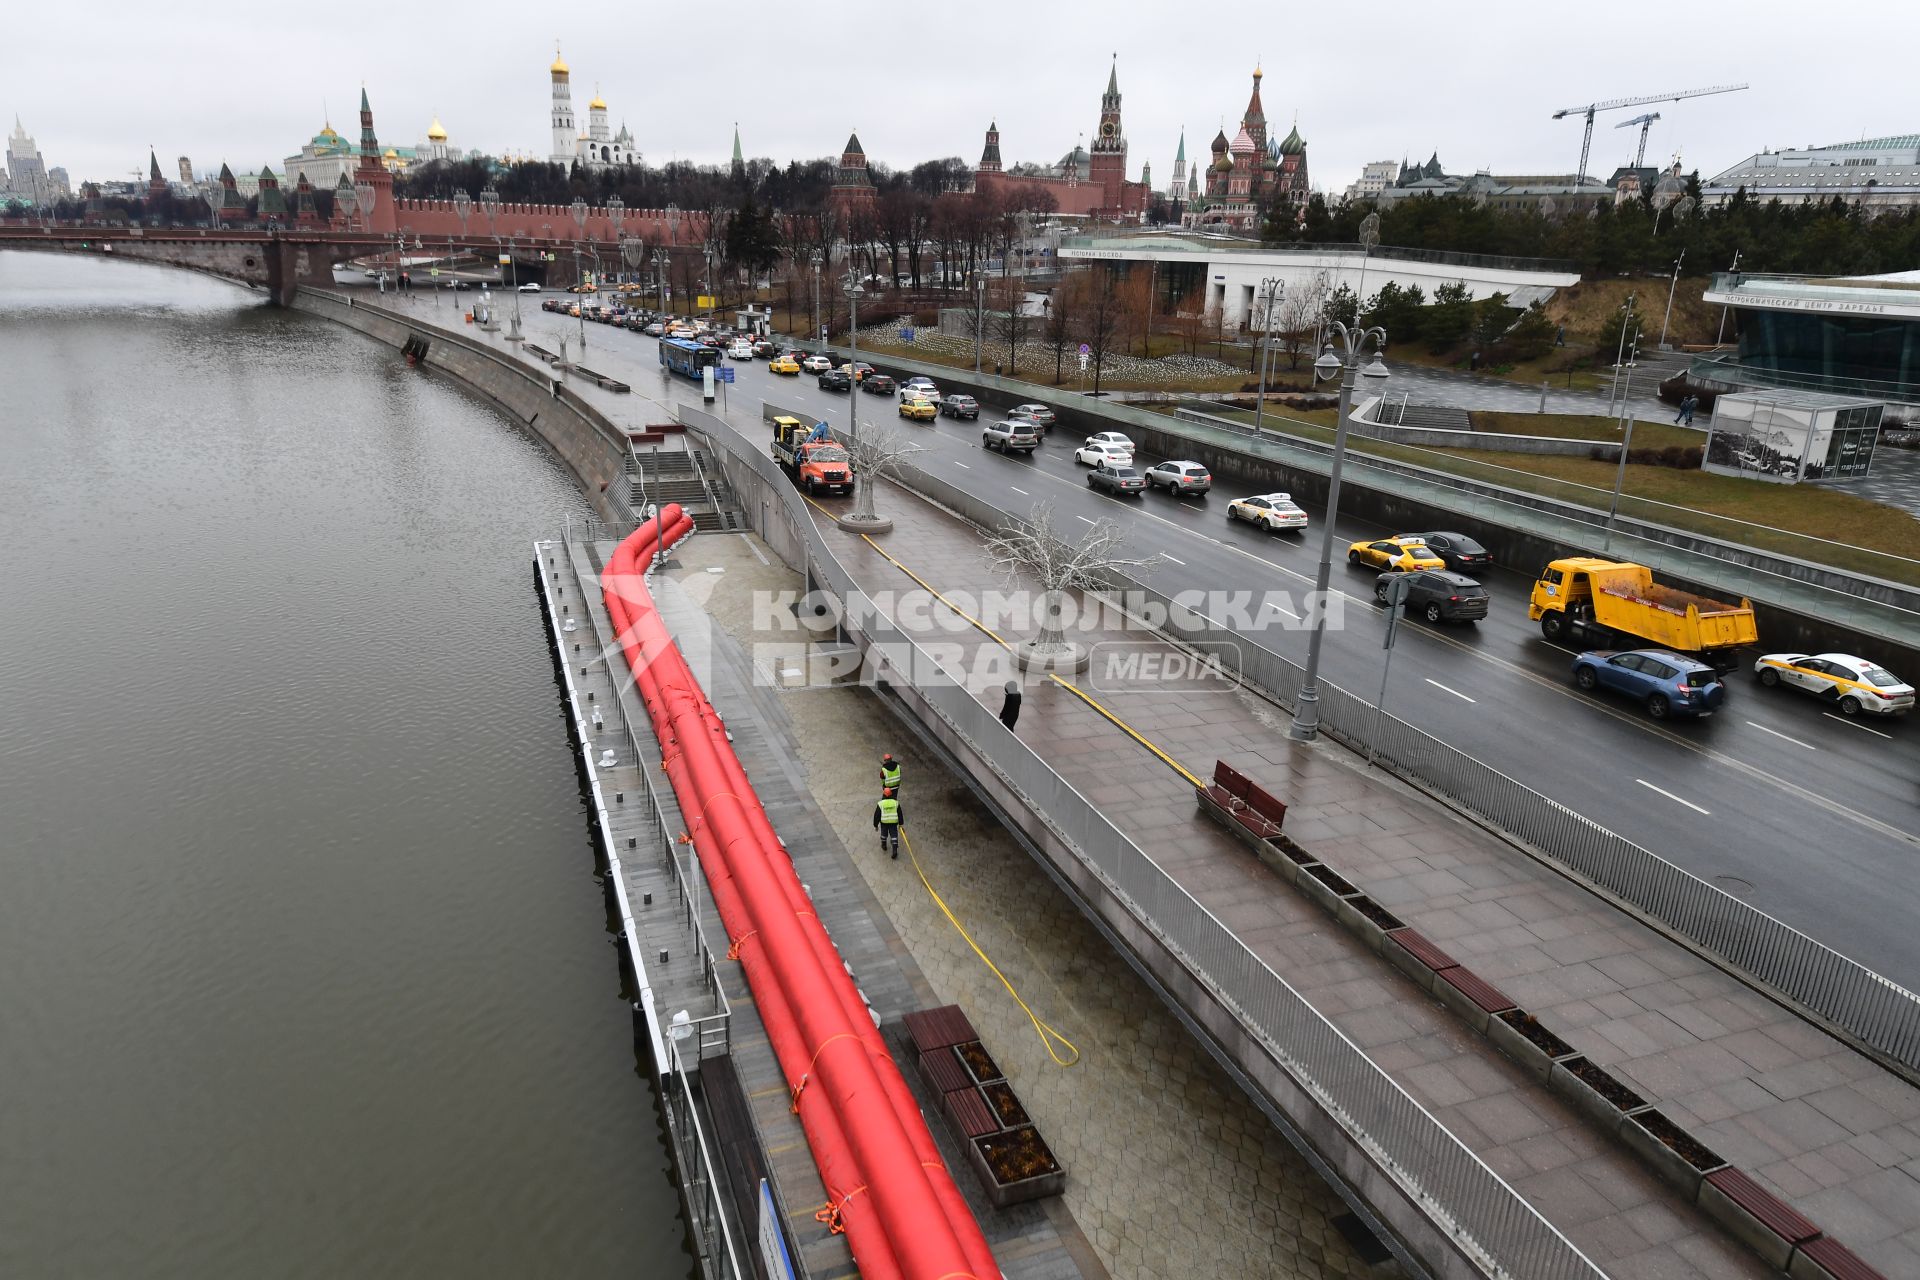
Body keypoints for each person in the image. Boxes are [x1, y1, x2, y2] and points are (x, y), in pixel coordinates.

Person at [873, 787, 903, 858]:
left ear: (883, 795)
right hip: (893, 823)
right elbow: (900, 814)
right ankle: (895, 850)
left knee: (884, 834)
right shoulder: (896, 803)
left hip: (884, 823)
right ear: (891, 794)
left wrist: (875, 825)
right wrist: (900, 824)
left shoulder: (881, 804)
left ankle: (884, 845)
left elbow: (876, 815)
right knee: (894, 835)